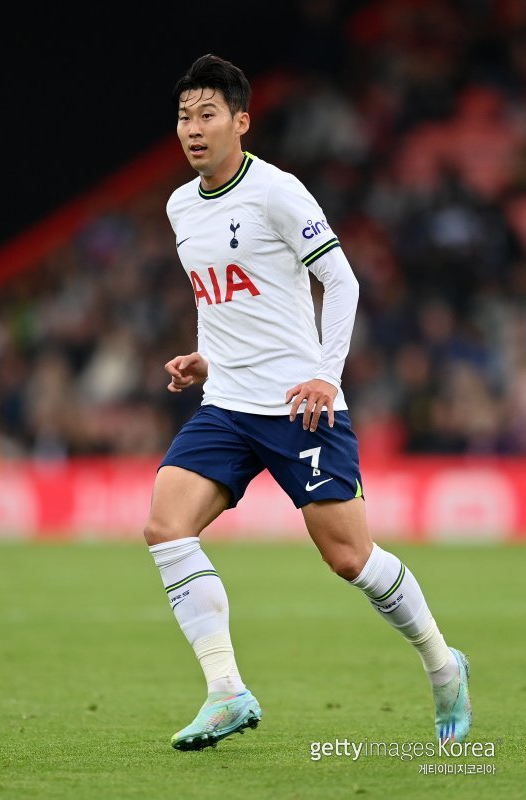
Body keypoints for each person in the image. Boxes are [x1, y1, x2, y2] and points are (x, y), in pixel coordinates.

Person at [144, 54, 472, 751]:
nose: (193, 129)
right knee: (166, 526)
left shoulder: (277, 191)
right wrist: (207, 357)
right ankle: (226, 692)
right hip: (226, 405)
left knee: (350, 559)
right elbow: (222, 299)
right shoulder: (180, 207)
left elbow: (342, 282)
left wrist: (326, 374)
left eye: (207, 115)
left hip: (300, 405)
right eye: (183, 116)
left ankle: (443, 665)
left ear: (241, 121)